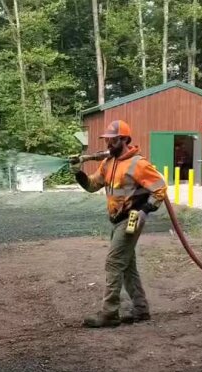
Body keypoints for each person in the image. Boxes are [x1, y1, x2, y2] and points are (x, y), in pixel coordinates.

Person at [70, 120, 167, 328]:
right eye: (107, 140)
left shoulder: (138, 164)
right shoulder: (108, 163)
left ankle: (109, 313)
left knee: (114, 262)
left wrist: (145, 210)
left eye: (112, 140)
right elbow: (91, 186)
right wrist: (79, 173)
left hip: (131, 218)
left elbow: (160, 188)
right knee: (127, 265)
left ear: (124, 139)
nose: (108, 144)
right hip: (116, 219)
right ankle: (141, 310)